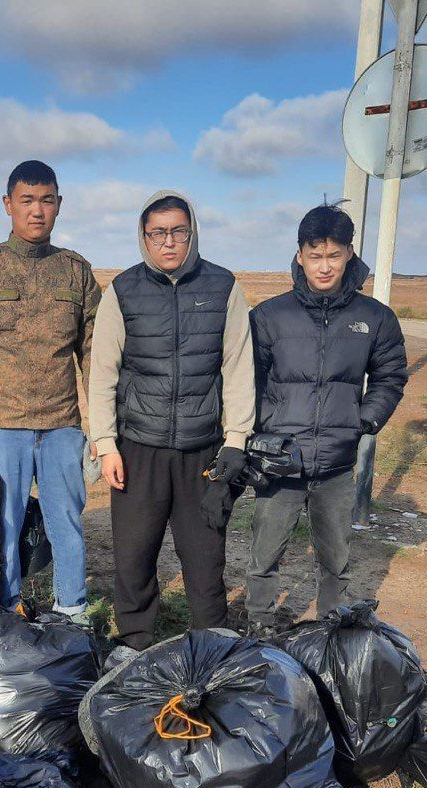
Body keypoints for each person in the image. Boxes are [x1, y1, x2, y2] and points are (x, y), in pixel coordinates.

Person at [88, 190, 255, 650]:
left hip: (203, 449)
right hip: (137, 448)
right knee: (133, 557)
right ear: (143, 238)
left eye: (178, 232)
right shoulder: (123, 290)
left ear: (192, 233)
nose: (169, 242)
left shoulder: (223, 287)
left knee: (205, 561)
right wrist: (105, 444)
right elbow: (102, 370)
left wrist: (236, 440)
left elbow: (239, 366)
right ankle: (135, 645)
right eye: (158, 233)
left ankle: (212, 649)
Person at [245, 204, 409, 633]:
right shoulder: (268, 316)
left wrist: (364, 421)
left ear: (349, 254)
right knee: (265, 553)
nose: (324, 266)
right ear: (299, 255)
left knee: (336, 557)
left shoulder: (374, 318)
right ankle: (260, 624)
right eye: (314, 255)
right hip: (280, 461)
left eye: (333, 256)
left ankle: (330, 631)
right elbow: (248, 379)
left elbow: (390, 377)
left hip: (336, 463)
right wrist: (267, 426)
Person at [0, 160, 101, 621]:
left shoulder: (76, 272)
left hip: (61, 426)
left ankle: (71, 610)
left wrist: (100, 426)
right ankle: (7, 610)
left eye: (47, 200)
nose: (37, 211)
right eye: (27, 201)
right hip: (1, 426)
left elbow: (94, 350)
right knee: (4, 524)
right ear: (8, 205)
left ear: (59, 204)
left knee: (67, 525)